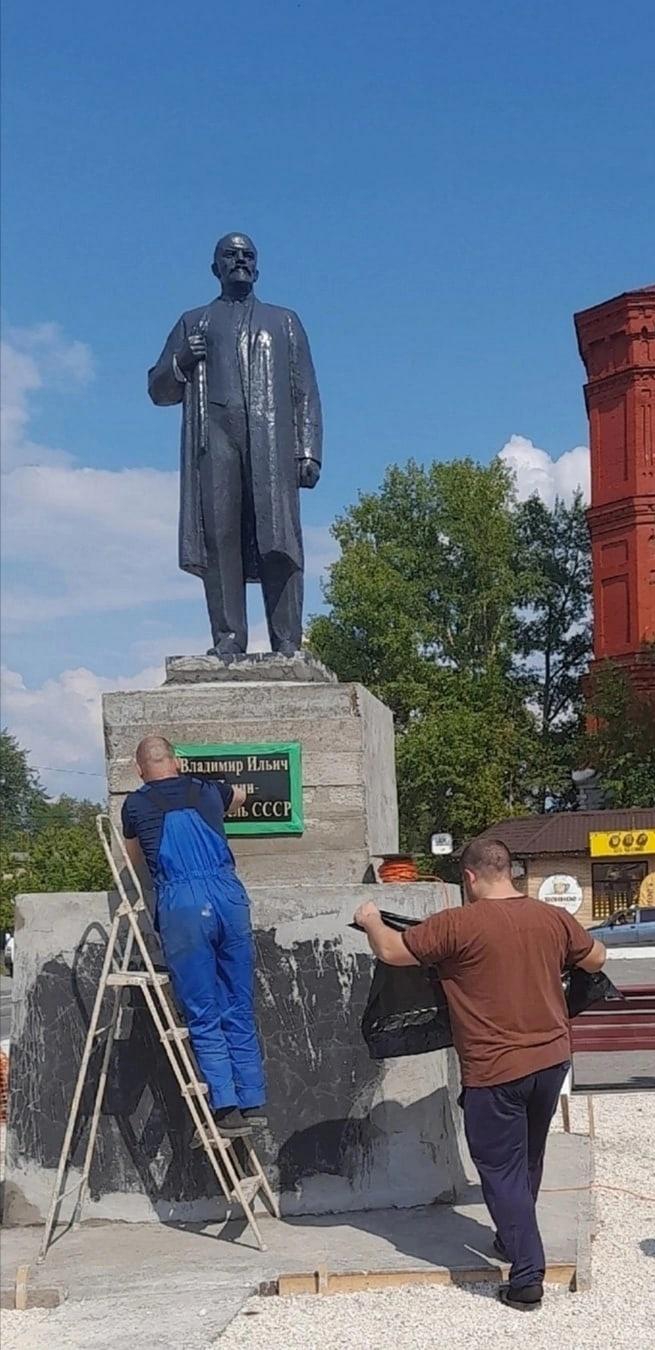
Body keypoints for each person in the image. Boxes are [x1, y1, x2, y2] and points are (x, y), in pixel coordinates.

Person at [355, 837, 607, 1312]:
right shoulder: (553, 918)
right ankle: (512, 1241)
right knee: (528, 1156)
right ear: (508, 871)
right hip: (552, 1060)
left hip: (494, 1069)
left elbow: (391, 951)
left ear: (469, 878)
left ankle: (527, 1276)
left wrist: (370, 918)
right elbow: (596, 960)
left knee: (500, 1168)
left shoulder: (457, 924)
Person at [149, 232, 322, 656]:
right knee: (220, 536)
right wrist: (182, 361)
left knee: (278, 539)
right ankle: (228, 638)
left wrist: (309, 450)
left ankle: (287, 642)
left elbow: (306, 390)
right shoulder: (194, 322)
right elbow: (159, 389)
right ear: (216, 268)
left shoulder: (284, 321)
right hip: (216, 441)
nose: (239, 261)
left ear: (257, 268)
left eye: (247, 256)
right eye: (230, 255)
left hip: (272, 444)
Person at [121, 736, 266, 1138]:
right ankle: (253, 1098)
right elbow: (237, 797)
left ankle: (226, 1107)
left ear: (140, 770)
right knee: (237, 1001)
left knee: (201, 1010)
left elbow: (131, 862)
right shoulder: (207, 790)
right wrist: (227, 793)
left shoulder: (135, 805)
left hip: (183, 904)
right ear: (176, 762)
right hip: (228, 897)